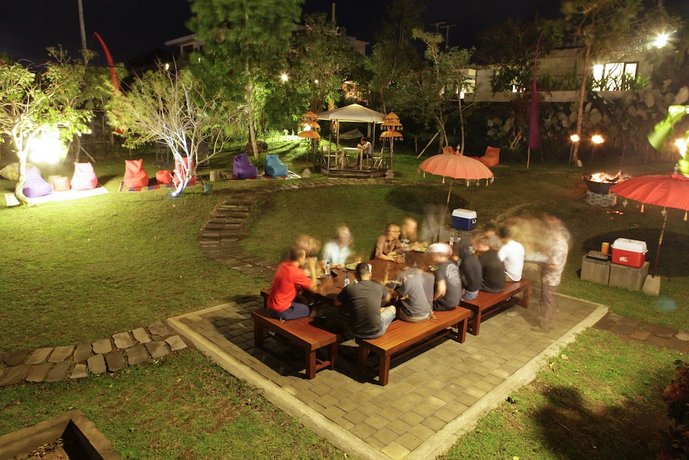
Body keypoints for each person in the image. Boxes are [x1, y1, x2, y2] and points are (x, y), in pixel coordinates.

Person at [528, 216, 570, 332]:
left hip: (551, 278)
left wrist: (540, 262)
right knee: (549, 300)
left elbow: (553, 266)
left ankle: (544, 326)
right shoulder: (557, 243)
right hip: (550, 277)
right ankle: (548, 322)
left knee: (547, 301)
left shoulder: (559, 246)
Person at [337, 263, 396, 339]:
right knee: (392, 308)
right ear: (370, 274)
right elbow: (387, 299)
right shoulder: (379, 286)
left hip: (355, 331)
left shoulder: (349, 288)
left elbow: (336, 302)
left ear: (355, 275)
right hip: (376, 332)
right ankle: (389, 337)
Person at [266, 247, 318, 320]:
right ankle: (303, 325)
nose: (305, 259)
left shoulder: (283, 265)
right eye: (305, 257)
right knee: (310, 310)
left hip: (271, 306)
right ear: (300, 259)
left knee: (301, 300)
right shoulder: (297, 272)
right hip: (281, 311)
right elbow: (314, 288)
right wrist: (312, 268)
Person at [428, 243, 461, 311]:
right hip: (456, 301)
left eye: (431, 254)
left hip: (444, 305)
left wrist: (432, 299)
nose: (430, 256)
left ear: (436, 254)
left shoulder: (440, 268)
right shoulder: (451, 263)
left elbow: (441, 290)